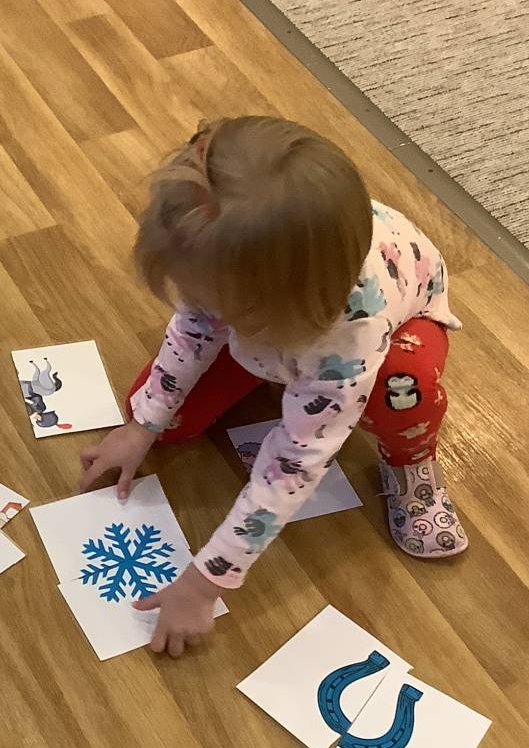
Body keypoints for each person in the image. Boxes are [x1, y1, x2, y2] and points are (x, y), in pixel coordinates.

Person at [79, 117, 467, 656]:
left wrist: (204, 584)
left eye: (212, 302)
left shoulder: (349, 339)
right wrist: (142, 424)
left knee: (403, 393)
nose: (197, 305)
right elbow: (193, 330)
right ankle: (263, 362)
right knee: (162, 417)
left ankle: (411, 460)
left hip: (398, 329)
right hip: (278, 317)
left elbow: (294, 464)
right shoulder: (226, 258)